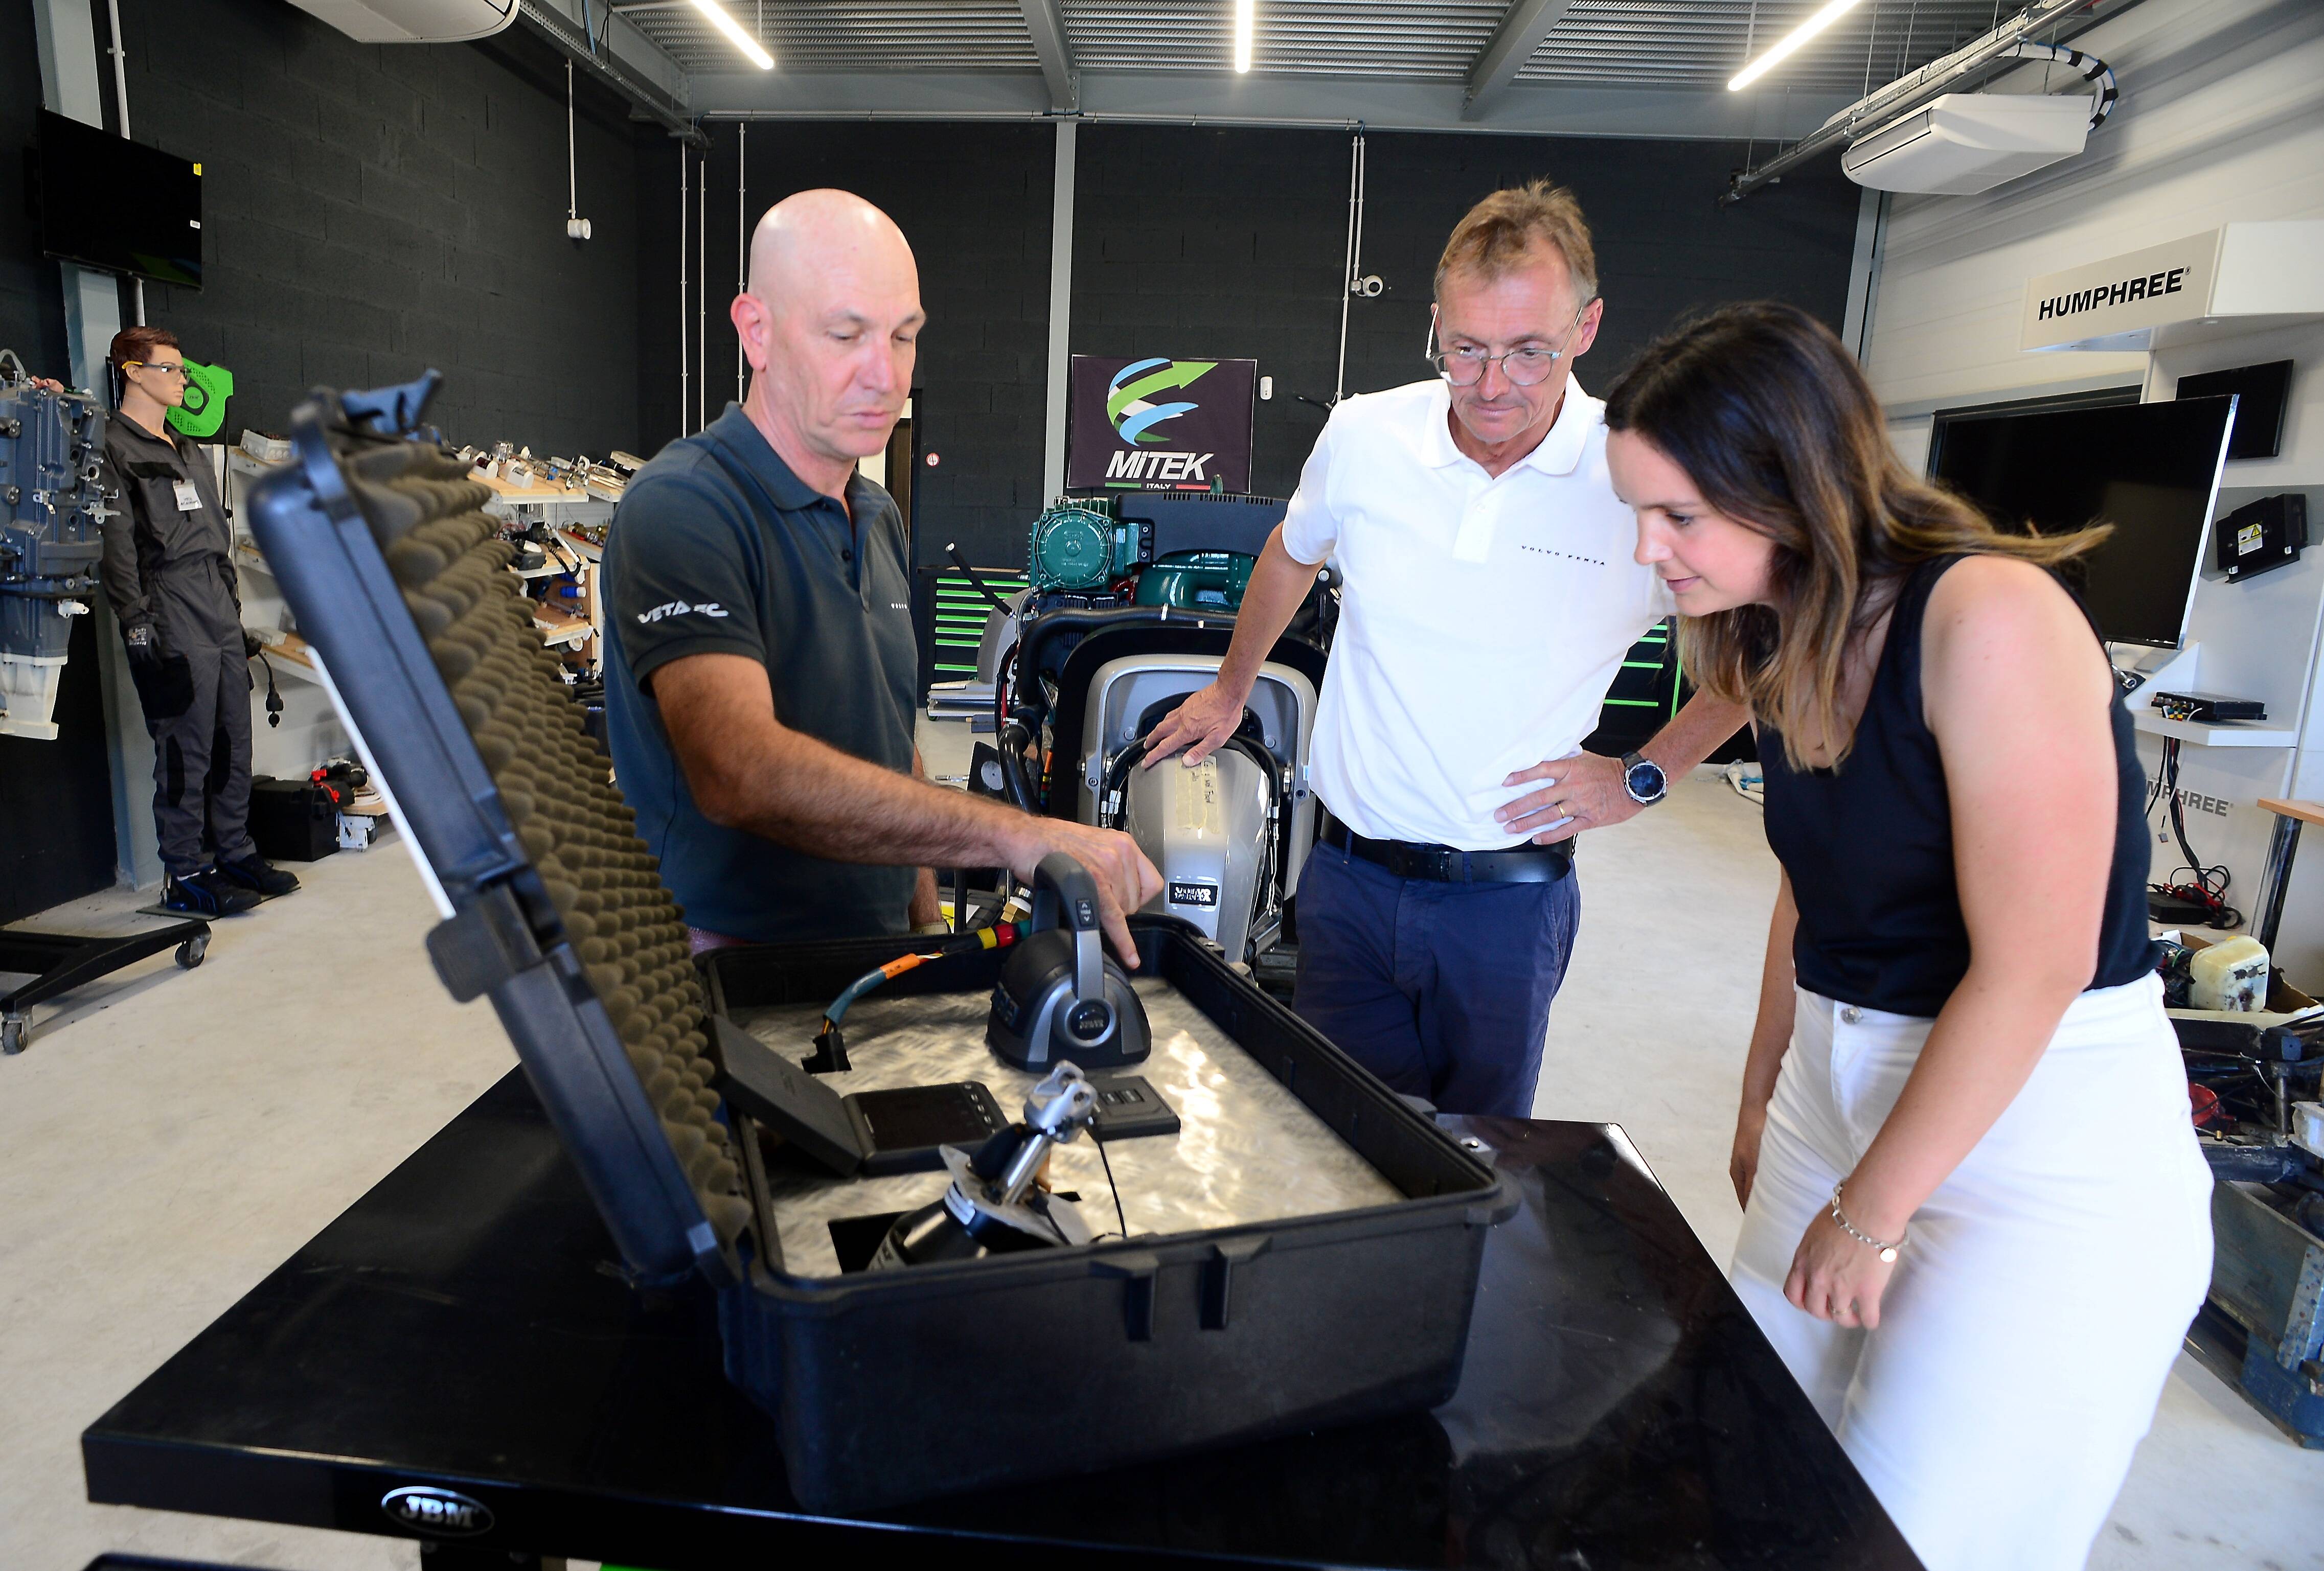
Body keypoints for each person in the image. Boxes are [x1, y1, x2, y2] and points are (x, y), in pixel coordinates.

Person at [1602, 302, 2212, 1571]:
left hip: (2039, 1143)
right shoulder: (1776, 623)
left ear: (1788, 481)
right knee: (1747, 1462)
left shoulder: (1989, 614)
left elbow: (2035, 965)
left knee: (1909, 1538)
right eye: (1638, 515)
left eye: (1677, 518)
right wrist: (1772, 1088)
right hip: (1845, 1075)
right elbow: (1813, 883)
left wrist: (1872, 1209)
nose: (1649, 551)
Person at [1143, 181, 1749, 1117]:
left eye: (1528, 351)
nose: (1493, 384)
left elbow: (1757, 656)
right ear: (1434, 326)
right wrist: (1232, 688)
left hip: (1505, 906)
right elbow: (1292, 551)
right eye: (1465, 349)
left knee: (1476, 1156)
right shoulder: (1365, 434)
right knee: (1334, 1141)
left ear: (1586, 327)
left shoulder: (1633, 471)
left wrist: (1642, 775)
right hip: (1346, 882)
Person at [604, 189, 1160, 959]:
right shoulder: (685, 505)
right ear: (755, 333)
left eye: (903, 337)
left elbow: (888, 741)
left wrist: (924, 922)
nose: (884, 375)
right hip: (716, 967)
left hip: (864, 953)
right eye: (845, 334)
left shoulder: (877, 515)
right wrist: (1015, 836)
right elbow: (738, 771)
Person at [97, 325, 299, 917]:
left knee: (234, 738)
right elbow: (118, 547)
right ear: (134, 373)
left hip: (215, 604)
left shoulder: (188, 449)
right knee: (186, 749)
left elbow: (217, 538)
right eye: (173, 369)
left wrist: (233, 610)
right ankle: (185, 870)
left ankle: (234, 850)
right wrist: (137, 623)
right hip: (169, 607)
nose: (184, 380)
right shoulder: (116, 447)